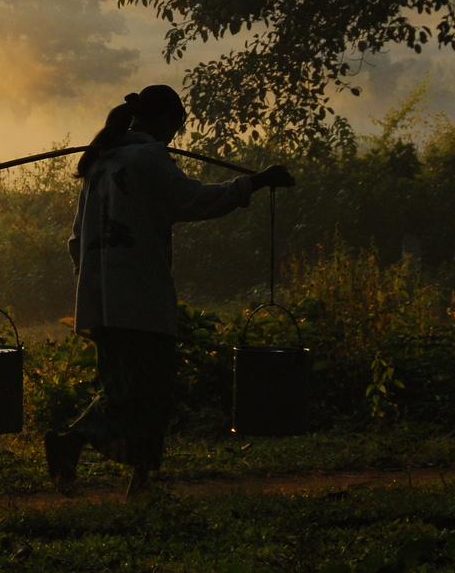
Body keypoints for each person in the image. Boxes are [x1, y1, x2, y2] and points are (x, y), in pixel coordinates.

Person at [43, 84, 293, 499]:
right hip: (140, 298)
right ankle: (76, 443)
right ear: (166, 121)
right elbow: (196, 201)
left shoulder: (101, 161)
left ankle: (137, 482)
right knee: (148, 392)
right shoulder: (147, 158)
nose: (175, 136)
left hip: (101, 299)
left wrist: (94, 281)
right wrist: (257, 182)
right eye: (176, 126)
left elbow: (75, 240)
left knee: (123, 388)